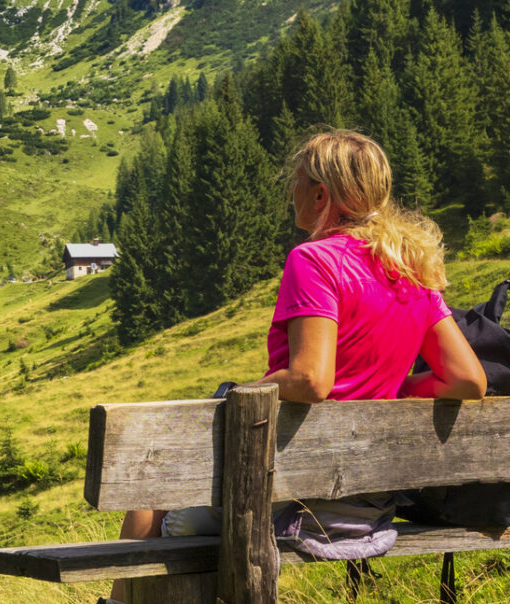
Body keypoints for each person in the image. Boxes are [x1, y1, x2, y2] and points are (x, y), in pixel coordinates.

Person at [111, 130, 486, 588]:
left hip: (299, 497)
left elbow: (311, 381)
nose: (291, 191)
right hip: (369, 503)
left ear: (321, 194)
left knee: (151, 491)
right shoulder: (412, 269)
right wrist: (396, 391)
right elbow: (469, 380)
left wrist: (244, 390)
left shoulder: (313, 261)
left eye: (296, 180)